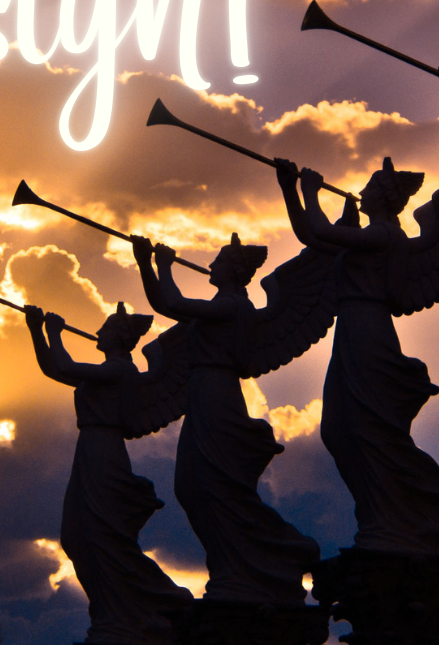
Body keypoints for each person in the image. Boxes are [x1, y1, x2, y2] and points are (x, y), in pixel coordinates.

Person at [276, 156, 439, 554]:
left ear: (382, 197)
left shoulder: (384, 234)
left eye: (368, 187)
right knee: (338, 427)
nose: (361, 191)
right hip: (351, 330)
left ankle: (405, 512)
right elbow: (313, 237)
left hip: (367, 328)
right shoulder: (369, 234)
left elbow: (320, 230)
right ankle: (381, 513)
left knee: (371, 427)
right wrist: (289, 190)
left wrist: (309, 190)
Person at [131, 234, 322, 603]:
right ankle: (230, 563)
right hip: (203, 392)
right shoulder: (224, 305)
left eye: (218, 261)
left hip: (216, 393)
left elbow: (172, 303)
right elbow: (167, 303)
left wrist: (160, 265)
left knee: (219, 485)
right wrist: (148, 265)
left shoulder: (234, 306)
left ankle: (260, 558)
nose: (211, 266)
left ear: (232, 271)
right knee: (191, 485)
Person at [26, 302, 190, 645]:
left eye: (105, 328)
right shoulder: (109, 370)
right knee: (77, 535)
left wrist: (53, 332)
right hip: (89, 450)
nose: (98, 332)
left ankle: (142, 607)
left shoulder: (120, 371)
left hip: (103, 451)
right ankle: (110, 612)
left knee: (105, 536)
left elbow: (65, 364)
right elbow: (56, 371)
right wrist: (35, 331)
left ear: (117, 337)